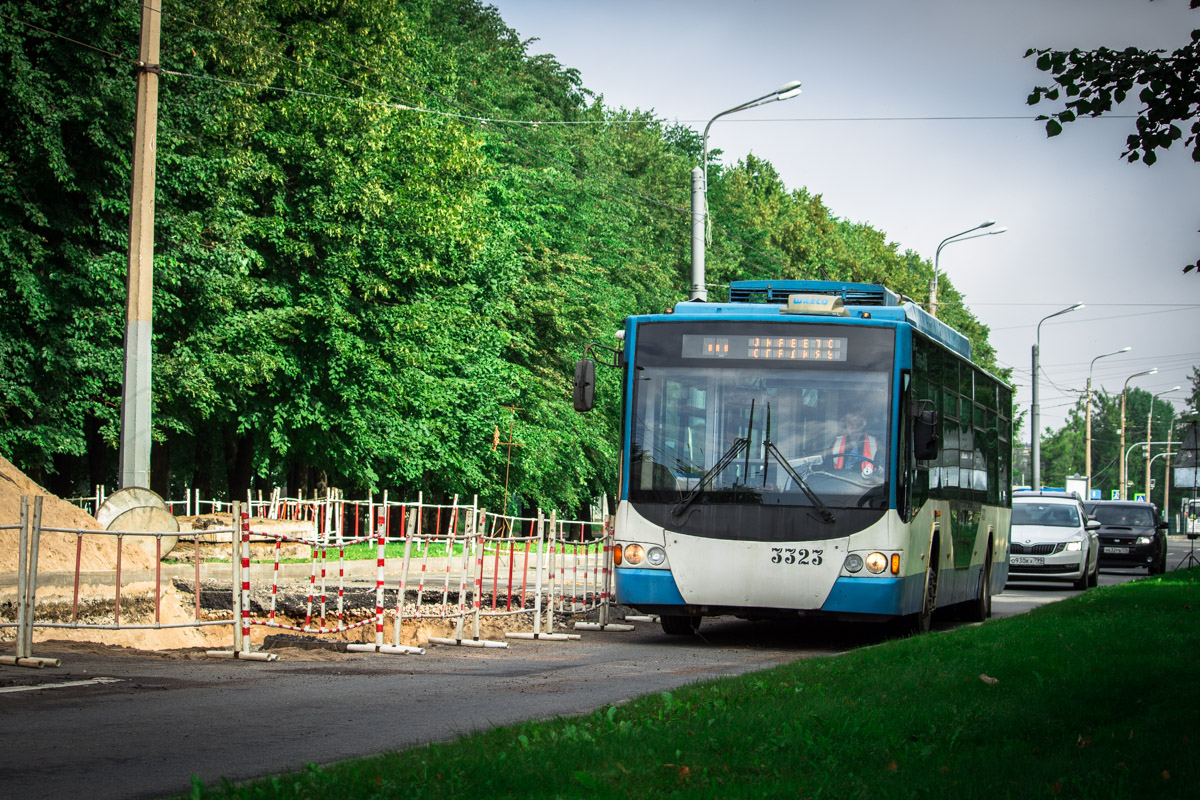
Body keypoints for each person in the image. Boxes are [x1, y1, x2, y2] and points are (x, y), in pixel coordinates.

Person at [830, 408, 879, 474]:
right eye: (850, 423)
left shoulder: (875, 443)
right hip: (838, 481)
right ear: (846, 424)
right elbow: (827, 468)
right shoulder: (836, 443)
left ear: (864, 423)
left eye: (858, 423)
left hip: (865, 482)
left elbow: (880, 470)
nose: (854, 426)